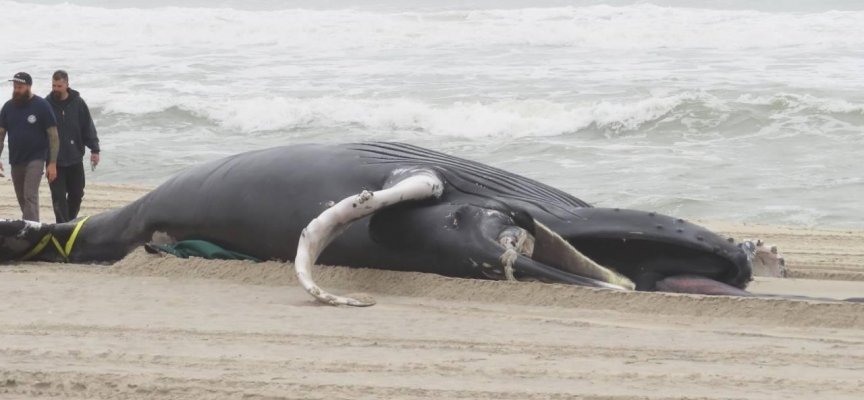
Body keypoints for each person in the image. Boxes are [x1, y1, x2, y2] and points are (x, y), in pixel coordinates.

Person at [0, 72, 59, 222]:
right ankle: (31, 224)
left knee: (29, 195)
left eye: (20, 87)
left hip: (36, 158)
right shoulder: (8, 107)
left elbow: (53, 136)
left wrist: (52, 163)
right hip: (16, 159)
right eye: (15, 87)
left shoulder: (42, 106)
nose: (16, 90)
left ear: (29, 86)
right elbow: (0, 135)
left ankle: (30, 231)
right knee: (21, 197)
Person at [45, 70, 101, 223]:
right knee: (59, 198)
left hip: (75, 159)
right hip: (54, 162)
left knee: (77, 195)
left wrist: (94, 149)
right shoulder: (46, 104)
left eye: (59, 86)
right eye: (53, 85)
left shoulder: (78, 103)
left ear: (67, 85)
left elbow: (87, 127)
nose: (56, 89)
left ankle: (69, 223)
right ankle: (62, 227)